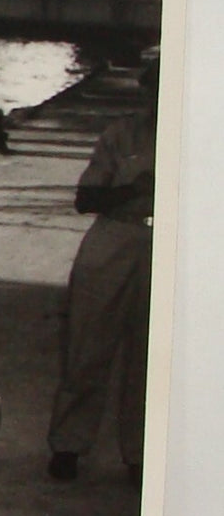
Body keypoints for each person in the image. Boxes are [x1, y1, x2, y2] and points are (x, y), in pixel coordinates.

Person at [47, 60, 159, 486]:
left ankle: (141, 455)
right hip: (114, 240)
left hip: (170, 244)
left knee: (152, 356)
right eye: (157, 85)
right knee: (87, 345)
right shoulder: (122, 134)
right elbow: (85, 198)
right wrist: (135, 189)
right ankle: (68, 445)